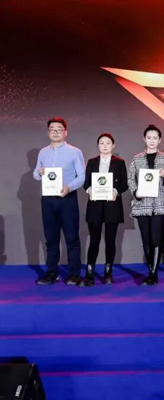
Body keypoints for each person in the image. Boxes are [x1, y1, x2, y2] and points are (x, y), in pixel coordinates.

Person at [33, 117, 85, 285]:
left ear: (65, 132)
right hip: (48, 200)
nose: (55, 132)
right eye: (52, 129)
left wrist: (69, 187)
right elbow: (35, 174)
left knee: (71, 238)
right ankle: (51, 273)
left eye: (59, 129)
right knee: (51, 238)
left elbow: (82, 176)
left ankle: (74, 274)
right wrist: (39, 172)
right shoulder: (43, 152)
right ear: (48, 132)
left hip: (67, 199)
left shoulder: (75, 152)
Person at [127, 124, 164, 285]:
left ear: (159, 140)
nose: (152, 140)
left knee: (156, 238)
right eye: (149, 137)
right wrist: (136, 192)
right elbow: (130, 179)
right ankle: (150, 270)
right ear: (144, 139)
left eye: (155, 138)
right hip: (142, 204)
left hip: (160, 205)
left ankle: (153, 273)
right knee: (146, 239)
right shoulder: (136, 159)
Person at [80, 133, 128, 286]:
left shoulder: (119, 162)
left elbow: (124, 184)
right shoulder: (92, 162)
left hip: (112, 205)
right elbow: (86, 182)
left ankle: (108, 273)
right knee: (94, 240)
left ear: (113, 145)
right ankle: (89, 274)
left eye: (108, 143)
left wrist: (116, 191)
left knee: (110, 240)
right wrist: (89, 190)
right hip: (95, 205)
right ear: (98, 145)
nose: (105, 146)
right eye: (102, 143)